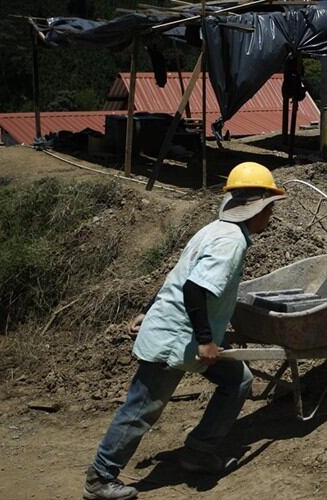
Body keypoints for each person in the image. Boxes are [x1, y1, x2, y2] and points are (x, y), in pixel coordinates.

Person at [83, 162, 287, 500]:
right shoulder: (229, 242)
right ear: (259, 209)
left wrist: (148, 310)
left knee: (237, 381)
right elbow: (194, 289)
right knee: (141, 409)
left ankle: (198, 451)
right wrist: (206, 340)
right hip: (177, 338)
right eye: (271, 208)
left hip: (179, 331)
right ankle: (100, 476)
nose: (272, 216)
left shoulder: (215, 230)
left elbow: (178, 274)